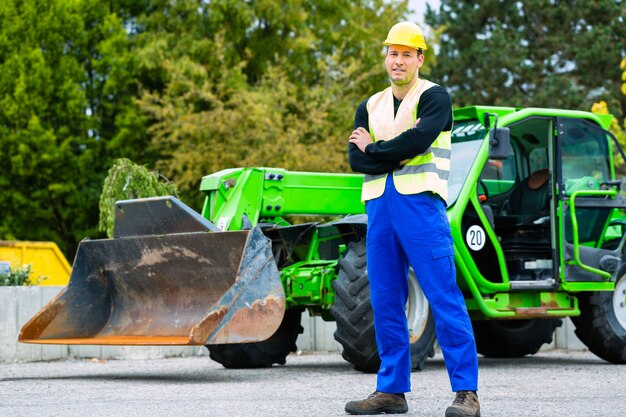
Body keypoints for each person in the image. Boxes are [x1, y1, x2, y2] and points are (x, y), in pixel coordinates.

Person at [345, 21, 480, 417]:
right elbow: (355, 158)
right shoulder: (368, 105)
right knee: (385, 299)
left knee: (443, 296)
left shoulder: (435, 97)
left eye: (407, 53)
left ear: (419, 58)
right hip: (379, 208)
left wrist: (376, 148)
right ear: (386, 57)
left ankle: (467, 393)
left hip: (421, 205)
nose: (398, 60)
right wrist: (391, 152)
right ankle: (391, 390)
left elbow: (419, 142)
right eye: (393, 53)